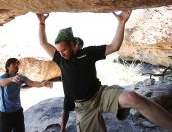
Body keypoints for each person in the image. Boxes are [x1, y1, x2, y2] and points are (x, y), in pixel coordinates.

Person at [36, 11, 172, 132]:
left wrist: (121, 23)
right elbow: (43, 43)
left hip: (100, 95)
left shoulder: (88, 53)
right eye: (59, 50)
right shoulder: (60, 59)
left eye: (64, 49)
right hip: (84, 108)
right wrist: (41, 23)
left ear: (72, 44)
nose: (62, 53)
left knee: (133, 97)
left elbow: (114, 46)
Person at [61, 37, 107, 132]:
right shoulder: (66, 57)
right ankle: (62, 128)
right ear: (72, 45)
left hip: (83, 93)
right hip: (69, 90)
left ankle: (104, 130)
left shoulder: (84, 56)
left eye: (80, 46)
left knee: (96, 112)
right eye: (76, 45)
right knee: (66, 109)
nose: (78, 48)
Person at [0, 58, 53, 132]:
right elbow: (2, 83)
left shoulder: (20, 77)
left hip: (18, 112)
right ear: (8, 66)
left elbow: (32, 83)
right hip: (5, 114)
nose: (17, 65)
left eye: (18, 64)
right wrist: (12, 79)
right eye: (14, 64)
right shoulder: (2, 77)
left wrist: (43, 83)